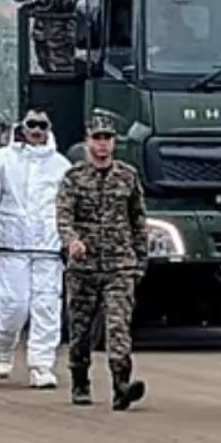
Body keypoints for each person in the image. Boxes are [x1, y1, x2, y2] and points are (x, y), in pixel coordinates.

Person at [55, 110, 150, 409]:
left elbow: (138, 220)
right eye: (97, 138)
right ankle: (80, 379)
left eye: (107, 138)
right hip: (84, 266)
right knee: (81, 330)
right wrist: (72, 242)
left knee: (118, 326)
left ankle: (122, 384)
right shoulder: (73, 178)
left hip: (120, 265)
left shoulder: (127, 176)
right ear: (87, 142)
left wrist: (140, 260)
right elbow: (63, 216)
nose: (102, 145)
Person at [0, 109, 73, 388]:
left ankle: (41, 365)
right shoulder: (1, 160)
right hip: (10, 243)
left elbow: (68, 207)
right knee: (15, 305)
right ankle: (4, 341)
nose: (36, 130)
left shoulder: (61, 166)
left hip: (48, 246)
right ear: (22, 128)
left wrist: (69, 239)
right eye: (31, 125)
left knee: (47, 306)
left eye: (42, 126)